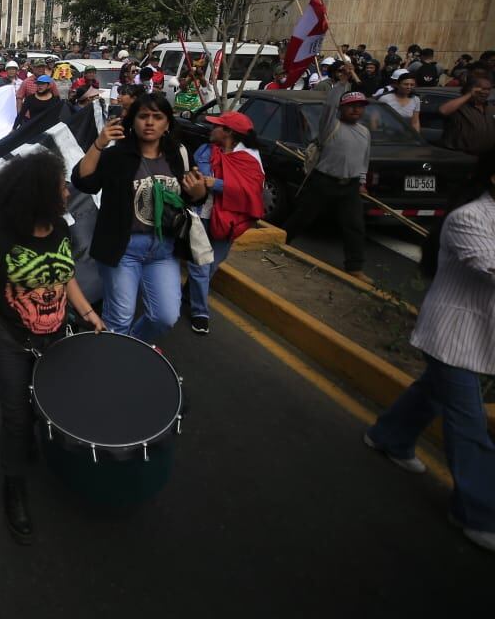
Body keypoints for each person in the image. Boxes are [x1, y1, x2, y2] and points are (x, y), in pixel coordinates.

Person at [0, 151, 104, 545]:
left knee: (45, 406)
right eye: (60, 185)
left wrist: (87, 310)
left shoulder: (60, 228)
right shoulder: (1, 237)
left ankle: (33, 444)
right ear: (39, 192)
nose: (67, 190)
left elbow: (66, 275)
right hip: (7, 338)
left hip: (54, 335)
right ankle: (14, 485)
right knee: (16, 417)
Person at [363, 148, 495, 552]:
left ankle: (389, 436)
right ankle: (478, 513)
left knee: (432, 394)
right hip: (452, 335)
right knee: (469, 425)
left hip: (475, 336)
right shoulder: (469, 218)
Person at [72, 92, 207, 340]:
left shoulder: (178, 155)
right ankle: (116, 365)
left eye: (157, 117)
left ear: (167, 123)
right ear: (133, 121)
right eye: (143, 116)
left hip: (163, 250)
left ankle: (133, 347)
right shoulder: (116, 156)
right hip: (123, 250)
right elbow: (84, 182)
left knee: (165, 316)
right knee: (119, 318)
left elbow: (186, 197)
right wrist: (99, 143)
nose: (150, 122)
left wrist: (199, 193)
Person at [283, 77, 372, 280]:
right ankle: (280, 240)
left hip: (349, 186)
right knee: (304, 216)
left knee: (355, 226)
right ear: (341, 109)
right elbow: (330, 105)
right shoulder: (330, 126)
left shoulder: (364, 132)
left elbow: (364, 160)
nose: (356, 110)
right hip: (324, 182)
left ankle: (354, 267)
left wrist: (362, 182)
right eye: (351, 106)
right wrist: (342, 83)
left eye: (360, 107)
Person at [185, 110, 265, 334]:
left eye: (217, 126)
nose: (212, 129)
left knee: (211, 265)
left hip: (228, 221)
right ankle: (200, 312)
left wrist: (216, 183)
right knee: (199, 265)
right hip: (200, 216)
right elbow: (193, 177)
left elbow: (251, 192)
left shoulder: (249, 160)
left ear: (228, 132)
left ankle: (187, 294)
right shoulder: (204, 151)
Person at [437, 74, 494, 155]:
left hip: (485, 157)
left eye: (488, 89)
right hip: (460, 155)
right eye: (483, 89)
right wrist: (470, 94)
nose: (486, 92)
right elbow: (443, 110)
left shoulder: (490, 108)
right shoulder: (459, 106)